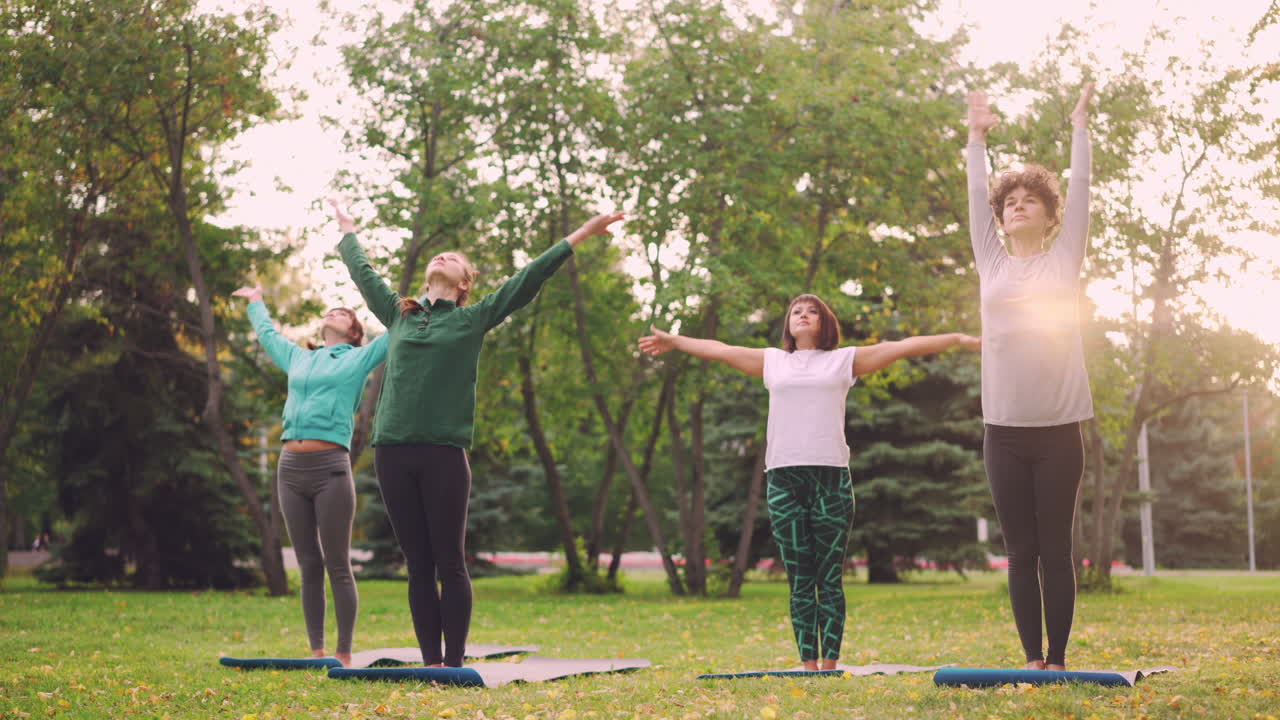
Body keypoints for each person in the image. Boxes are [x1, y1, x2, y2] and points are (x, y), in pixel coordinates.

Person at [331, 199, 624, 668]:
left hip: (445, 454)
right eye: (439, 255)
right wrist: (348, 229)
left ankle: (453, 663)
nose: (442, 256)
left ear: (464, 282)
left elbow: (527, 279)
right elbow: (363, 273)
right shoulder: (399, 314)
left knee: (449, 560)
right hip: (392, 452)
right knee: (418, 564)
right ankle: (431, 663)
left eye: (454, 259)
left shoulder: (472, 318)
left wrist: (583, 233)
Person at [639, 296, 979, 670]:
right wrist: (675, 340)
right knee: (800, 579)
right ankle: (808, 666)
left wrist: (958, 339)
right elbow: (720, 349)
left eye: (812, 311)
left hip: (830, 477)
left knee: (829, 578)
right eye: (796, 311)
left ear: (824, 322)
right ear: (789, 324)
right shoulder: (773, 361)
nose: (803, 315)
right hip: (784, 478)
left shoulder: (843, 360)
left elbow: (902, 347)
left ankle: (829, 666)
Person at [965, 82, 1096, 671]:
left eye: (1029, 200)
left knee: (1056, 549)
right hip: (1004, 431)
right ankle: (1031, 659)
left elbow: (1083, 190)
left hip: (1061, 429)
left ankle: (1059, 658)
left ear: (1048, 215)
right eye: (1010, 201)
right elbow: (975, 195)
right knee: (1020, 551)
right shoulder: (990, 262)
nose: (1017, 206)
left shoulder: (1064, 259)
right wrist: (975, 139)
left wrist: (1079, 129)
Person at [231, 283, 389, 667]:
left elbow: (396, 331)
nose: (335, 312)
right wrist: (256, 301)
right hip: (289, 468)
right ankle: (317, 651)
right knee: (308, 563)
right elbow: (268, 335)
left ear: (354, 332)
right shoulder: (299, 359)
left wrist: (425, 301)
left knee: (337, 563)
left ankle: (344, 652)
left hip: (330, 468)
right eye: (332, 310)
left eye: (344, 313)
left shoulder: (359, 359)